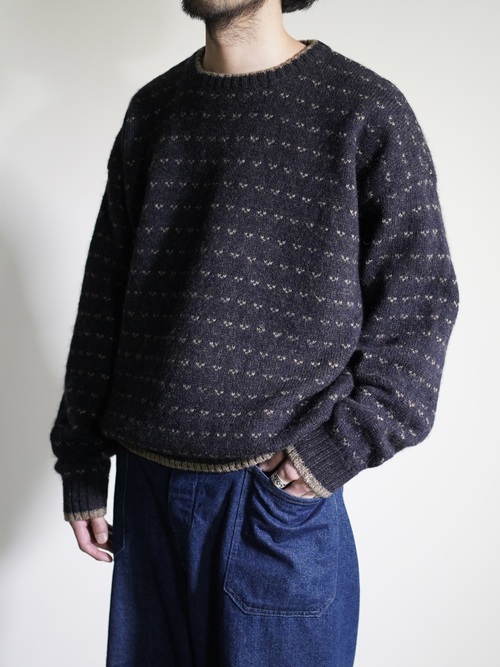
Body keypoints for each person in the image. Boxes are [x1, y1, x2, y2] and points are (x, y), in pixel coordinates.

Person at [50, 0, 459, 665]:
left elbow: (421, 303)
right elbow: (105, 298)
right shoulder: (154, 111)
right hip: (146, 496)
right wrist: (82, 458)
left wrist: (337, 447)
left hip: (270, 500)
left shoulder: (363, 109)